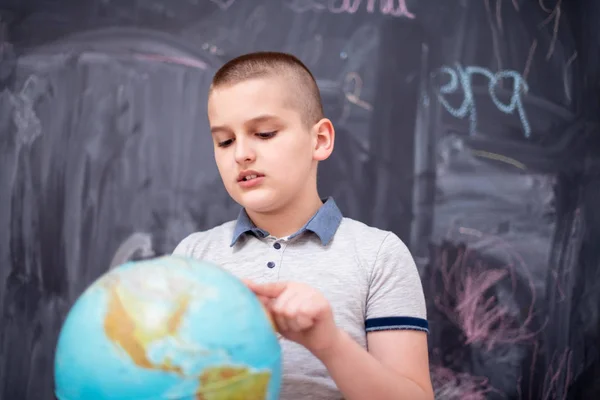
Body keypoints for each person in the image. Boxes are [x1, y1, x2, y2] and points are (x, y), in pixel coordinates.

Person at [173, 51, 433, 400]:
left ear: (320, 140)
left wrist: (329, 343)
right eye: (225, 141)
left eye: (264, 133)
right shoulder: (192, 256)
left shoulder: (379, 256)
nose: (241, 154)